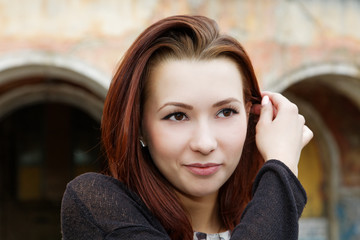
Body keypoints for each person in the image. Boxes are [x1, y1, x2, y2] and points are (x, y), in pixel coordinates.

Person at [61, 15, 313, 240]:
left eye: (226, 112)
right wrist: (282, 167)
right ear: (138, 125)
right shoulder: (95, 205)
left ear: (250, 115)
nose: (204, 143)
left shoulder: (268, 215)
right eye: (177, 115)